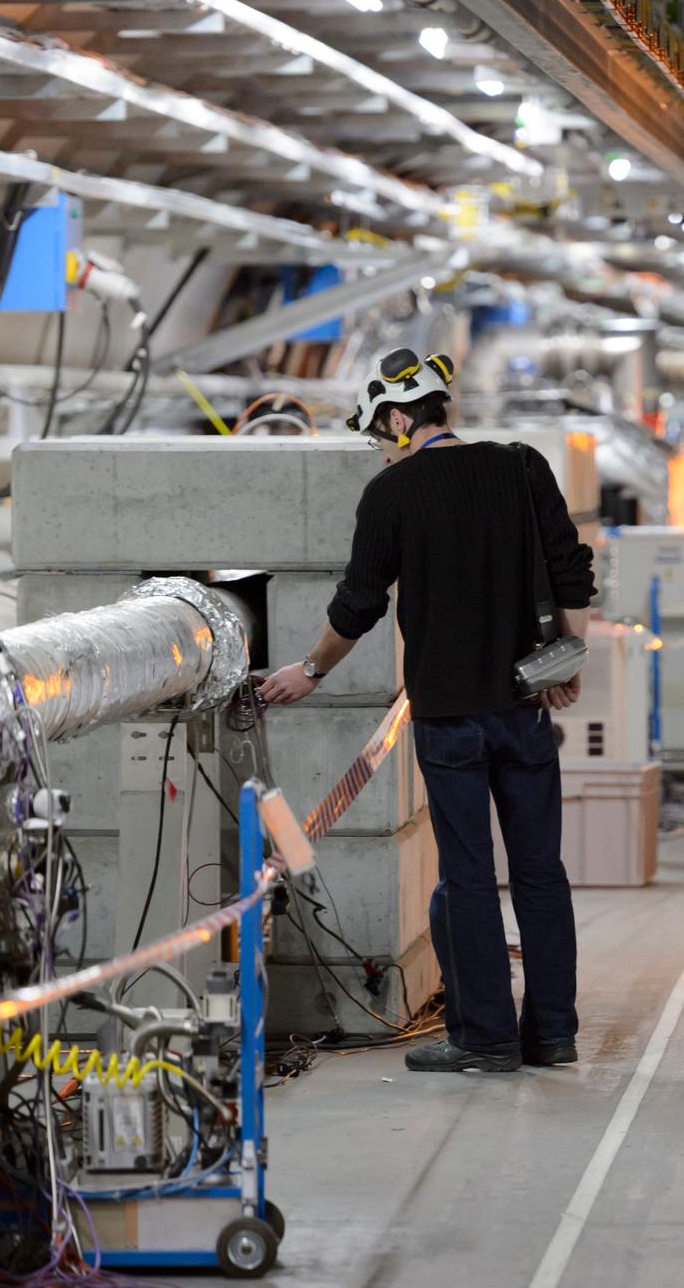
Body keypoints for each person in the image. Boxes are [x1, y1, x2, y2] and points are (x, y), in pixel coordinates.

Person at [259, 348, 595, 1074]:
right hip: (524, 705)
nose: (382, 447)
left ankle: (485, 1036)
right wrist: (569, 661)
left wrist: (310, 670)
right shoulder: (522, 465)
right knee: (540, 871)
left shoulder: (393, 494)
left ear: (402, 415)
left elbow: (359, 603)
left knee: (469, 877)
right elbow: (572, 566)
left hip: (449, 718)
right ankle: (554, 1032)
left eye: (382, 432)